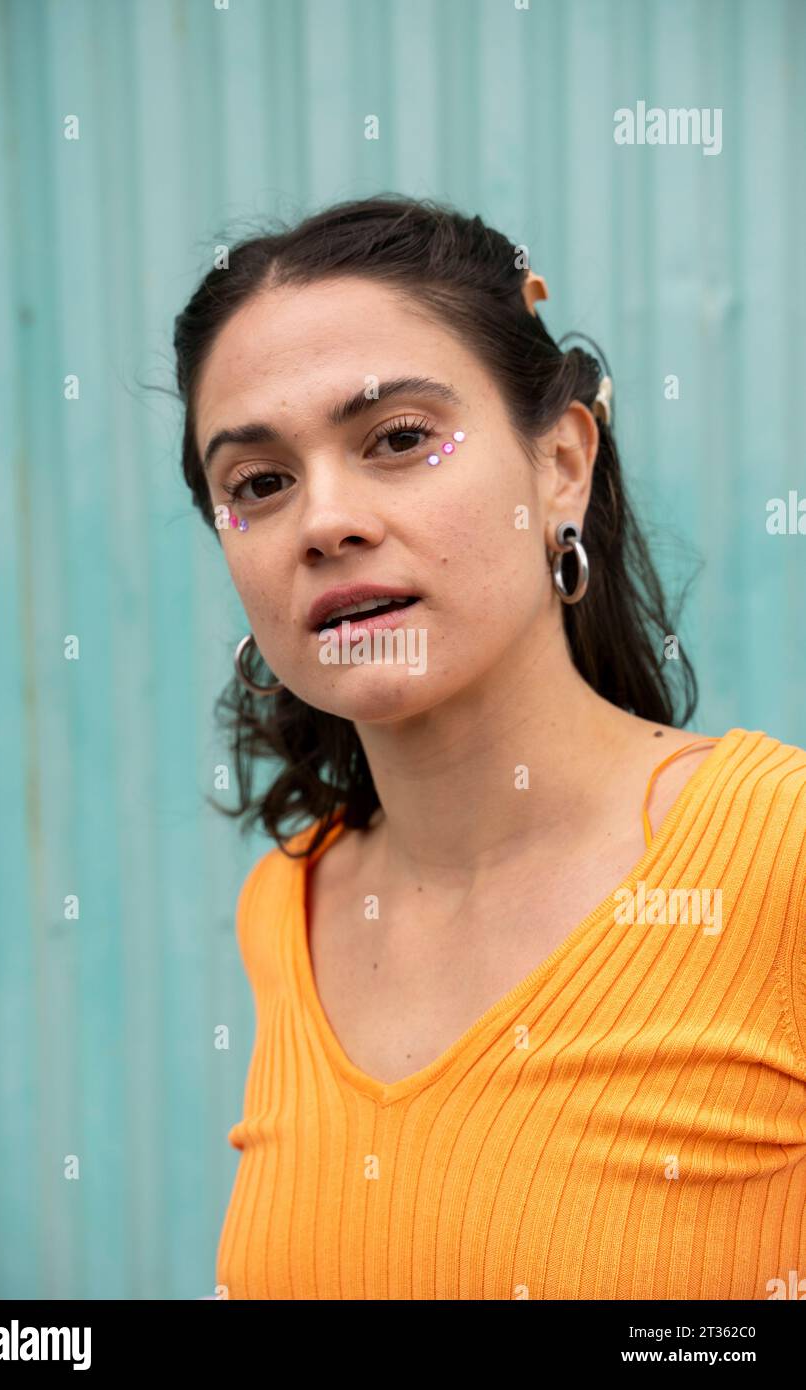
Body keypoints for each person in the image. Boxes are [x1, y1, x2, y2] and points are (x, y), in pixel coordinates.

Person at [173, 195, 806, 1300]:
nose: (323, 519)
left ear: (559, 462)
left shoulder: (779, 855)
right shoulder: (291, 904)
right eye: (258, 483)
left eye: (400, 438)